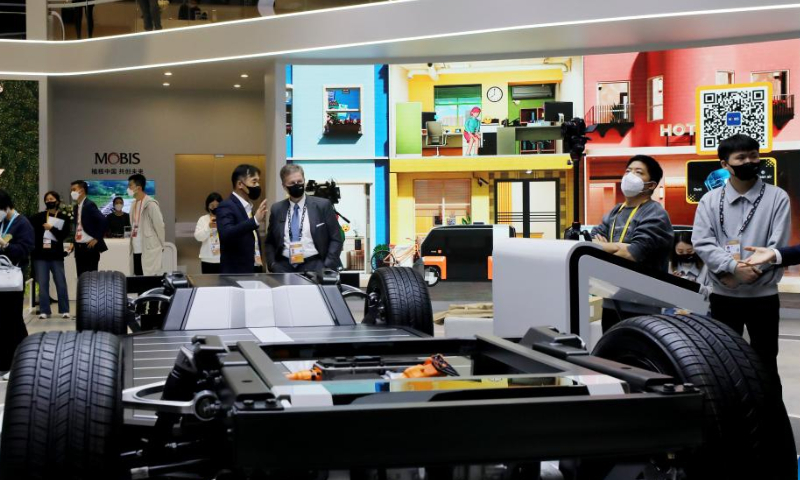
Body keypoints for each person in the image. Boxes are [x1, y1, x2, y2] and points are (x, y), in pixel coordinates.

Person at [692, 134, 789, 373]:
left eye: (754, 156)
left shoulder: (777, 197)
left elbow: (778, 245)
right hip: (723, 296)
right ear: (725, 164)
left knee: (765, 363)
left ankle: (768, 412)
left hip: (763, 297)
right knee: (724, 364)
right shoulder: (709, 201)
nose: (749, 161)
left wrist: (746, 273)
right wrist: (732, 268)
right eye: (741, 157)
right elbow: (702, 242)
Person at [591, 155, 674, 332]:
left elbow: (633, 253)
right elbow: (592, 243)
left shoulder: (655, 213)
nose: (630, 176)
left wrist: (606, 247)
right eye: (628, 171)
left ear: (651, 185)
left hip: (644, 304)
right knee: (610, 354)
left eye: (638, 172)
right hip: (612, 300)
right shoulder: (615, 211)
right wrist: (617, 247)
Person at [265, 164, 343, 273]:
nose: (297, 185)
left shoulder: (322, 205)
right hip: (283, 267)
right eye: (292, 183)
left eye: (300, 181)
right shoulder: (277, 209)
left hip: (315, 266)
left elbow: (336, 239)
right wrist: (272, 264)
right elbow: (270, 242)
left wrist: (327, 265)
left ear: (304, 180)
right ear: (284, 186)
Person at [0, 189, 34, 372]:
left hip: (12, 280)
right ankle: (5, 363)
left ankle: (21, 362)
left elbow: (24, 250)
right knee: (3, 321)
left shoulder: (22, 223)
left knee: (13, 321)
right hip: (0, 279)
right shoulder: (2, 222)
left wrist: (4, 244)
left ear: (5, 207)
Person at [216, 164, 268, 274]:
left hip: (254, 268)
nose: (257, 185)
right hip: (236, 272)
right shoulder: (226, 205)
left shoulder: (248, 206)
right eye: (254, 182)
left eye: (258, 182)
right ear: (240, 184)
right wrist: (254, 221)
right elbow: (226, 233)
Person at [30, 191, 71, 320]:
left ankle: (64, 310)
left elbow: (62, 235)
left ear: (57, 201)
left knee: (60, 282)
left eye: (52, 199)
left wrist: (51, 228)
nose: (49, 201)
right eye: (47, 199)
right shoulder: (38, 217)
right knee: (42, 283)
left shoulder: (63, 217)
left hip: (56, 255)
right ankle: (44, 310)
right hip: (40, 255)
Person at [128, 174, 165, 276]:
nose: (128, 188)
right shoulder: (133, 204)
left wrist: (162, 245)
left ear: (138, 188)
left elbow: (160, 226)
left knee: (148, 281)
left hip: (148, 249)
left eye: (130, 186)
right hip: (136, 249)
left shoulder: (151, 204)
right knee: (138, 280)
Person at [70, 180, 108, 278]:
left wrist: (97, 238)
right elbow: (78, 226)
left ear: (82, 191)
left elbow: (103, 220)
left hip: (89, 248)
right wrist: (73, 241)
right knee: (81, 278)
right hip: (79, 248)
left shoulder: (89, 205)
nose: (72, 193)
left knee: (91, 279)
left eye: (74, 190)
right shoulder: (76, 207)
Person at [194, 192, 223, 274]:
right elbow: (198, 237)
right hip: (207, 259)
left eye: (217, 205)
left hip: (223, 258)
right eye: (212, 206)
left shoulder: (225, 219)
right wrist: (208, 227)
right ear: (207, 206)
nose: (214, 208)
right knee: (208, 284)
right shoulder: (203, 219)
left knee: (223, 284)